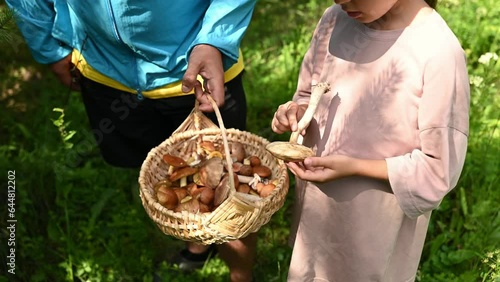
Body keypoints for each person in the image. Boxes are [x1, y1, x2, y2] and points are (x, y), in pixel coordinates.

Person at [6, 1, 257, 281]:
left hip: (197, 70)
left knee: (230, 186)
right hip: (107, 72)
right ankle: (198, 244)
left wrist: (215, 38)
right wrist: (49, 49)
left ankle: (241, 274)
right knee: (168, 175)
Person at [270, 0, 470, 281]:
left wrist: (353, 167)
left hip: (373, 235)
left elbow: (436, 173)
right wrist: (297, 112)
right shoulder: (334, 20)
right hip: (318, 216)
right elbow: (306, 93)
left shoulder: (438, 52)